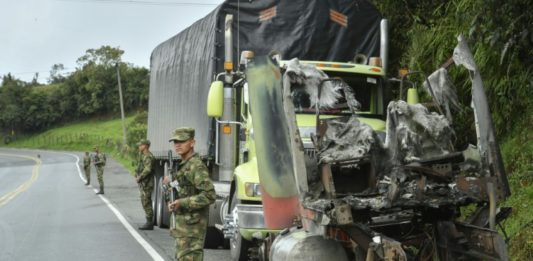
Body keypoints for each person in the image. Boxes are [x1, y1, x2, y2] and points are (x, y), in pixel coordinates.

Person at [166, 127, 216, 261]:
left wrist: (182, 203)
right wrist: (169, 188)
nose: (177, 145)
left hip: (192, 229)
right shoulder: (184, 165)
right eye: (175, 142)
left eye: (182, 141)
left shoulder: (196, 166)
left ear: (192, 143)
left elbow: (209, 195)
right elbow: (180, 191)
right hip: (183, 229)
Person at [135, 139, 155, 230]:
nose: (139, 146)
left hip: (147, 183)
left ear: (145, 146)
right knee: (144, 201)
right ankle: (149, 221)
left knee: (146, 202)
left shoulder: (148, 156)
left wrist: (140, 177)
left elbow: (148, 169)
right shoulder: (143, 156)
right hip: (144, 183)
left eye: (141, 145)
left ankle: (149, 222)